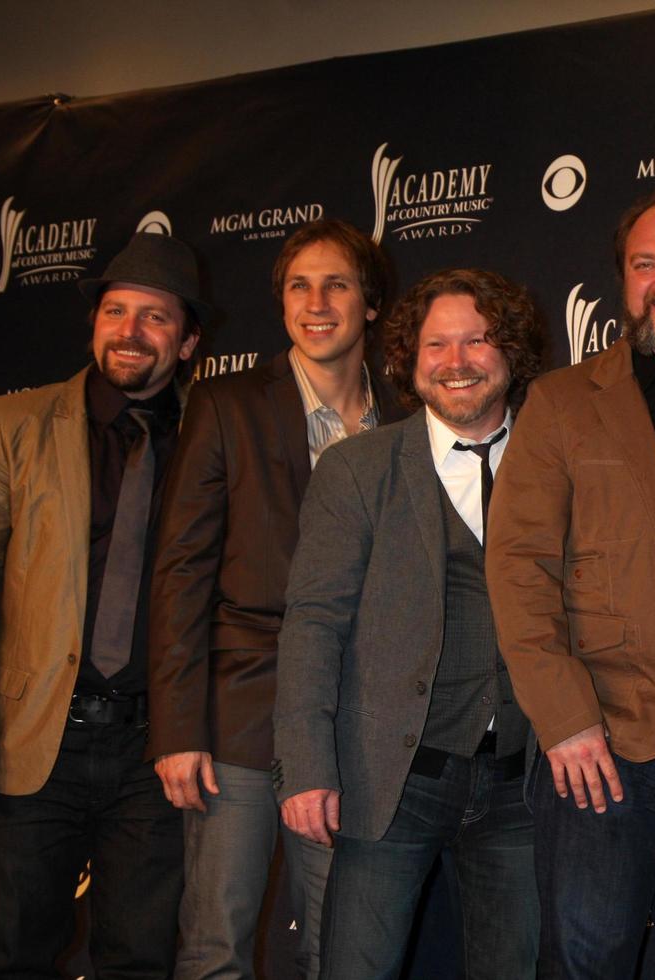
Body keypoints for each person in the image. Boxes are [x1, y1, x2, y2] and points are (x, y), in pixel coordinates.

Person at [486, 184, 655, 979]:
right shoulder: (564, 401)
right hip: (605, 751)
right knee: (585, 965)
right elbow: (517, 566)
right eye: (645, 264)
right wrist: (566, 718)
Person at [147, 219, 406, 979]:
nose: (316, 302)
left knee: (342, 950)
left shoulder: (408, 419)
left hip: (359, 727)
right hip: (240, 720)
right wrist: (177, 728)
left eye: (337, 284)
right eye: (299, 285)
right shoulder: (226, 405)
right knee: (215, 948)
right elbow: (180, 571)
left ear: (370, 305)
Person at [272, 268, 545, 980]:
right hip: (390, 777)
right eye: (436, 345)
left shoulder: (555, 460)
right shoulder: (358, 468)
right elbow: (311, 625)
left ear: (511, 350)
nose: (457, 362)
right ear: (410, 360)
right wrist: (305, 768)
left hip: (522, 781)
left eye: (478, 340)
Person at [0, 232, 207, 978]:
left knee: (140, 959)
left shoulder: (215, 439)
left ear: (190, 340)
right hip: (32, 734)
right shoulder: (10, 426)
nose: (131, 332)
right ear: (94, 322)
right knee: (11, 954)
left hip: (155, 752)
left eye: (155, 317)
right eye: (116, 311)